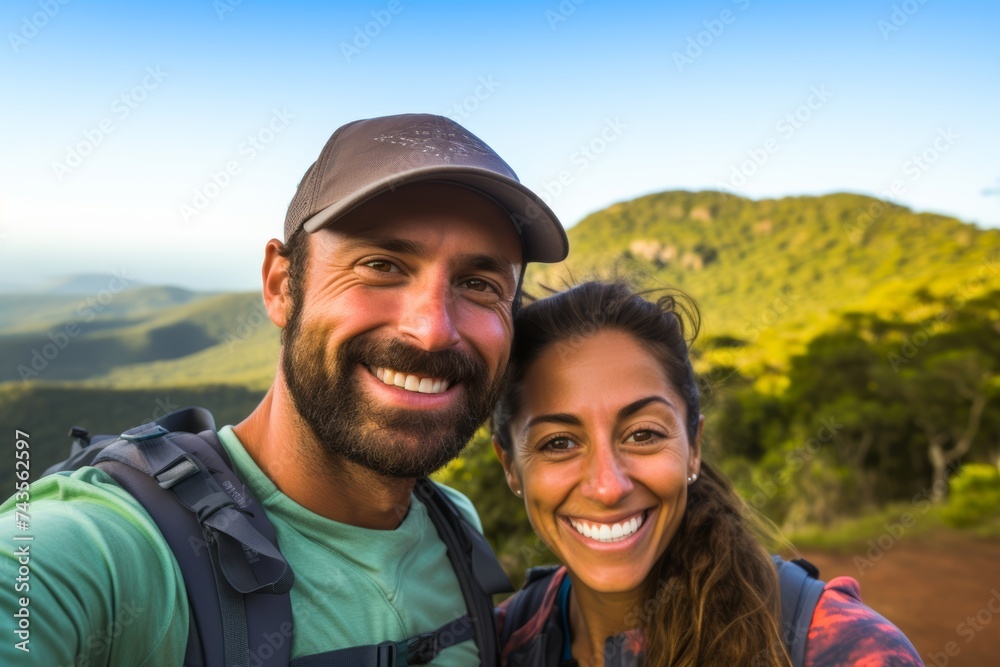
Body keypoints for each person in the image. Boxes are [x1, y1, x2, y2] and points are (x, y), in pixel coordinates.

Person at [0, 113, 568, 665]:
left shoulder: (455, 529)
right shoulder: (112, 549)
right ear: (281, 285)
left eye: (478, 284)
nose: (433, 329)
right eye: (381, 264)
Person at [491, 281, 922, 666]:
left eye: (642, 434)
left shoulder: (843, 648)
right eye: (559, 443)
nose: (608, 486)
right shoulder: (496, 644)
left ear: (693, 448)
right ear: (511, 467)